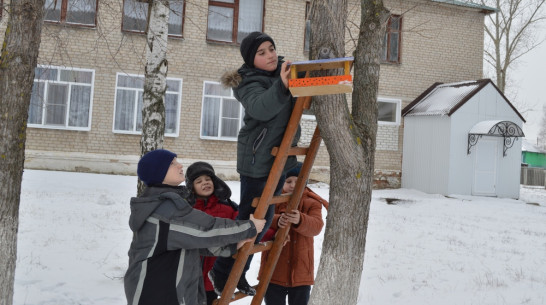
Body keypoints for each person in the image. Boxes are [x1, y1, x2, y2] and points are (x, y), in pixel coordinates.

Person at [210, 31, 301, 297]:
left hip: (279, 160)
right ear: (252, 59)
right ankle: (222, 269)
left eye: (271, 48)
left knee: (262, 220)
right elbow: (261, 108)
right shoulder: (247, 82)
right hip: (257, 159)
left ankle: (237, 272)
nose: (270, 55)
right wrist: (282, 85)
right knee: (250, 221)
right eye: (261, 53)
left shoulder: (283, 73)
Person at [124, 149, 265, 305]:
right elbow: (208, 229)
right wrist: (250, 227)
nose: (179, 165)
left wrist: (231, 246)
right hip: (156, 292)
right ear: (159, 172)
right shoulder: (166, 210)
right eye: (172, 163)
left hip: (174, 290)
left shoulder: (167, 203)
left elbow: (189, 244)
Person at [258, 162, 328, 305]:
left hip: (301, 272)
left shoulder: (312, 202)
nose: (292, 185)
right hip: (273, 269)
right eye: (288, 181)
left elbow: (316, 226)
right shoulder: (273, 200)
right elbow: (262, 219)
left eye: (298, 181)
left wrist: (300, 219)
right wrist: (277, 220)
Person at [184, 161, 240, 305]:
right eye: (199, 181)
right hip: (189, 277)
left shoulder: (228, 208)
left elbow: (246, 226)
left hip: (213, 277)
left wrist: (272, 233)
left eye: (208, 179)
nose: (205, 183)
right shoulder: (186, 210)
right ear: (191, 187)